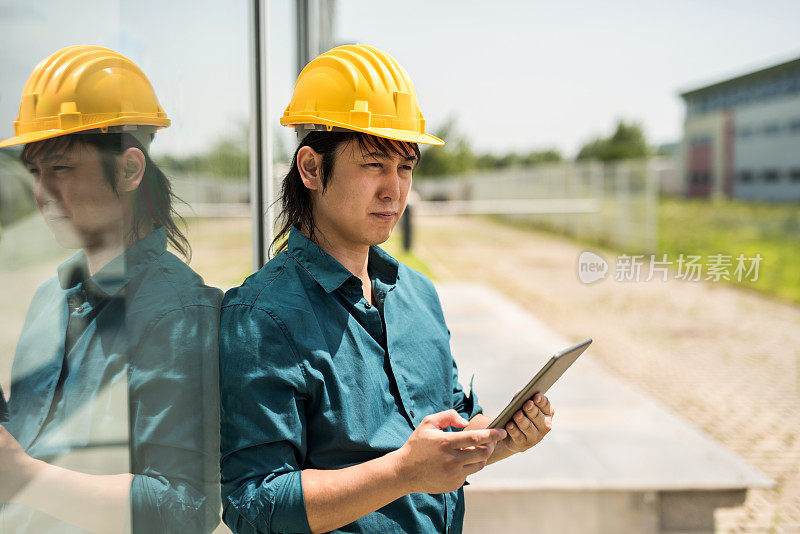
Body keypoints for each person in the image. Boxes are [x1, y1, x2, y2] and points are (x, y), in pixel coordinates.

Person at [219, 44, 555, 534]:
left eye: (405, 168)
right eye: (374, 165)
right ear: (311, 168)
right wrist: (402, 473)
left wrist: (507, 437)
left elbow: (450, 434)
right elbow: (255, 506)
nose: (394, 190)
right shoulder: (260, 317)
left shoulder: (417, 295)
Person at [0, 45, 221, 533]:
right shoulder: (47, 300)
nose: (42, 195)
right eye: (34, 173)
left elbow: (184, 509)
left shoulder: (181, 314)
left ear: (128, 170)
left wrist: (23, 477)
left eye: (60, 169)